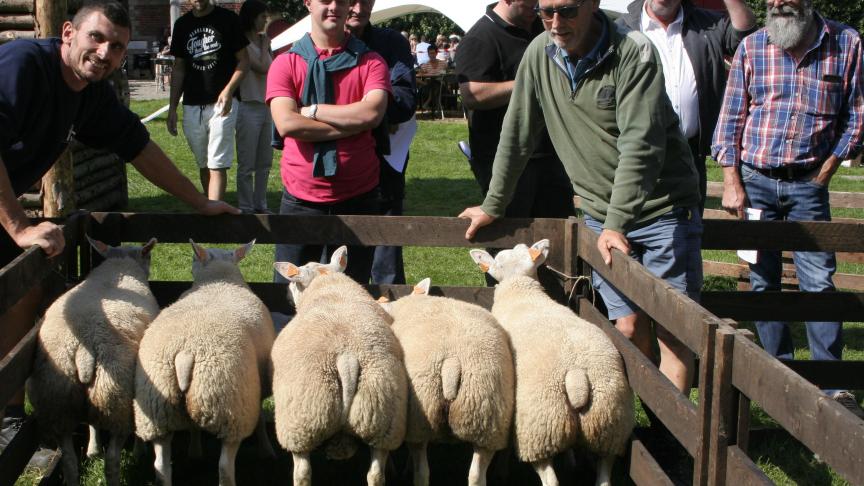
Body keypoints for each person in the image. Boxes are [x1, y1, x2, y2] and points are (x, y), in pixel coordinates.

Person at [0, 0, 238, 447]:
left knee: (23, 291)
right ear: (68, 33)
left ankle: (9, 415)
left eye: (117, 47)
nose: (105, 53)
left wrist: (199, 202)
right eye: (97, 37)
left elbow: (139, 147)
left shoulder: (89, 94)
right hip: (5, 208)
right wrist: (18, 226)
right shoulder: (22, 65)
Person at [459, 0, 703, 394]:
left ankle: (667, 444)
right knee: (627, 324)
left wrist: (616, 222)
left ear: (592, 4)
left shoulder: (633, 51)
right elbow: (517, 133)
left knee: (674, 332)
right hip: (599, 213)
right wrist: (494, 204)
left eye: (568, 10)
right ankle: (641, 422)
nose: (555, 22)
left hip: (662, 209)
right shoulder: (540, 53)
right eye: (545, 11)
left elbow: (641, 144)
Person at [712, 0, 864, 418]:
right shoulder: (754, 46)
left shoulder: (846, 43)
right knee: (763, 282)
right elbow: (730, 118)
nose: (778, 2)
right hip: (756, 182)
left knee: (819, 283)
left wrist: (826, 172)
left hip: (808, 184)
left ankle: (832, 389)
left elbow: (857, 116)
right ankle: (784, 378)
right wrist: (731, 180)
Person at [266, 0, 391, 283]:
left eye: (341, 0)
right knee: (289, 298)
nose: (333, 7)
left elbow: (371, 113)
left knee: (352, 296)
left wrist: (311, 111)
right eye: (325, 0)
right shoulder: (286, 62)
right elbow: (286, 123)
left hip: (359, 196)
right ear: (308, 3)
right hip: (301, 198)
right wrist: (351, 125)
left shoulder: (371, 61)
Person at [454, 0, 575, 285]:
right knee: (508, 248)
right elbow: (473, 94)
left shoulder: (540, 28)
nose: (537, 6)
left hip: (550, 157)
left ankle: (557, 309)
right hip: (505, 163)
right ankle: (509, 311)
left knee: (554, 248)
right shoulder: (480, 38)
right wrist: (530, 81)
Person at [617, 0, 756, 210]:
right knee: (632, 231)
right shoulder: (621, 29)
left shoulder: (707, 24)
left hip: (689, 156)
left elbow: (746, 35)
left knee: (688, 233)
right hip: (634, 155)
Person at [345, 0, 418, 285]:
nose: (360, 7)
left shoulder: (390, 43)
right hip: (336, 172)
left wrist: (350, 112)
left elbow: (404, 102)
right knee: (337, 262)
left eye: (367, 0)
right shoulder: (313, 49)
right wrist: (375, 111)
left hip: (385, 165)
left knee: (386, 266)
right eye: (351, 0)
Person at [167, 0, 249, 202]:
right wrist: (172, 108)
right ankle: (211, 207)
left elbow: (244, 60)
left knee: (217, 163)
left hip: (223, 102)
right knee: (203, 163)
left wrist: (229, 90)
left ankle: (215, 217)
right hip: (193, 103)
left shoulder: (228, 19)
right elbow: (179, 68)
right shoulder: (182, 24)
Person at [236, 0, 274, 214]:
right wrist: (263, 46)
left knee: (265, 162)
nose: (265, 21)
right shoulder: (244, 44)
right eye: (262, 17)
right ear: (252, 17)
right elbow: (261, 67)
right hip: (248, 106)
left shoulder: (264, 43)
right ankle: (245, 206)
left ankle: (261, 204)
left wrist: (265, 45)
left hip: (266, 106)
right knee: (247, 163)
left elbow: (273, 68)